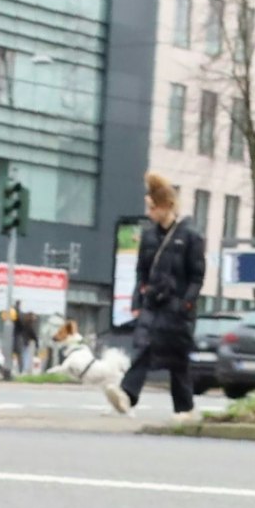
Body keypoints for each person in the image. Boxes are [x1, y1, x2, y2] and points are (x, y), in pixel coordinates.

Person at [105, 172, 205, 414]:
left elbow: (197, 276)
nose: (149, 213)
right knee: (146, 346)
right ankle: (128, 394)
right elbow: (141, 271)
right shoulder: (149, 236)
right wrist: (138, 299)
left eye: (153, 208)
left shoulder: (190, 237)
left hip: (177, 309)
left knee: (178, 359)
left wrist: (186, 303)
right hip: (153, 305)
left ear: (166, 206)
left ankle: (184, 409)